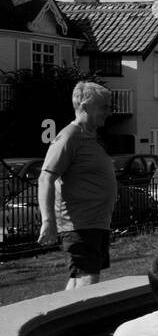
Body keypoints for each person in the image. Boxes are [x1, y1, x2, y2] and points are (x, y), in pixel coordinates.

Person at [38, 81, 117, 289]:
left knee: (79, 280)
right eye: (104, 107)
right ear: (85, 106)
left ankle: (62, 320)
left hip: (95, 223)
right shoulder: (68, 138)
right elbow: (45, 178)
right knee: (87, 282)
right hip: (80, 224)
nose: (108, 112)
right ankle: (83, 322)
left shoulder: (91, 138)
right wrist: (48, 221)